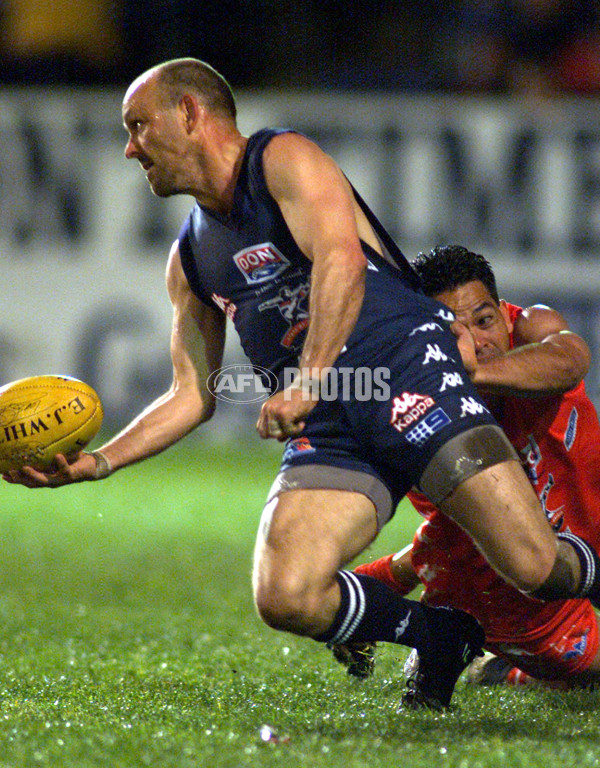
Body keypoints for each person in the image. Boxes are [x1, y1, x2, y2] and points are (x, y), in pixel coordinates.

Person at [5, 59, 600, 711]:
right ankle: (441, 634)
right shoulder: (192, 258)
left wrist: (309, 378)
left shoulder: (282, 160)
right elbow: (192, 393)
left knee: (536, 570)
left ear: (191, 113)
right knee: (285, 594)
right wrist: (97, 462)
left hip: (411, 377)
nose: (130, 147)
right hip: (331, 423)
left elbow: (341, 261)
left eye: (140, 125)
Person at [334, 245, 600, 689]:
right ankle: (491, 665)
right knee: (583, 675)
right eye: (454, 329)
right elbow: (449, 538)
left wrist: (459, 374)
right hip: (528, 581)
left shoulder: (533, 328)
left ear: (503, 311)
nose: (479, 341)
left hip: (590, 528)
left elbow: (570, 361)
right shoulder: (414, 409)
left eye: (485, 320)